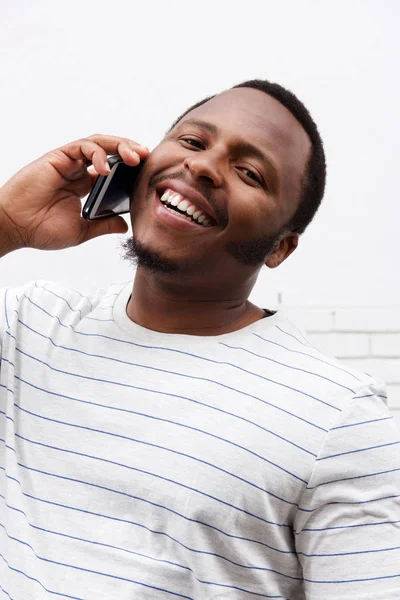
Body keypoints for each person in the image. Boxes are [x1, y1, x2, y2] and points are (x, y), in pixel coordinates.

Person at [0, 79, 399, 600]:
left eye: (250, 172)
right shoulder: (31, 324)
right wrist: (6, 224)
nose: (204, 166)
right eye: (192, 142)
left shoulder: (342, 419)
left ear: (280, 246)